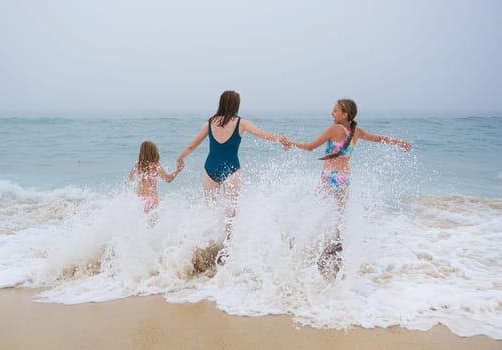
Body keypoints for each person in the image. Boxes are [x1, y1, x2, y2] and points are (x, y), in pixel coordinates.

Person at [285, 99, 411, 275]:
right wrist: (398, 142)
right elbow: (378, 139)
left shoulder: (334, 129)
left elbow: (309, 147)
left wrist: (289, 143)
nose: (332, 113)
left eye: (335, 111)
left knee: (317, 208)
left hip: (329, 177)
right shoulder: (356, 131)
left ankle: (301, 241)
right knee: (340, 215)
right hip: (344, 178)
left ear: (345, 114)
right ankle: (336, 251)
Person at [177, 90, 287, 241]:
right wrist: (281, 139)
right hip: (232, 169)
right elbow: (264, 135)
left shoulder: (209, 123)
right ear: (236, 105)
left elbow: (191, 145)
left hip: (210, 168)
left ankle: (210, 241)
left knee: (211, 208)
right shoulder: (241, 123)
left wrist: (180, 158)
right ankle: (228, 243)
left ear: (221, 103)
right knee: (230, 210)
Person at [128, 140, 183, 213]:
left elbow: (129, 179)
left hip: (140, 200)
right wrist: (178, 170)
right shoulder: (155, 165)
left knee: (140, 222)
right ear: (153, 151)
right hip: (152, 200)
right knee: (152, 223)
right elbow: (168, 179)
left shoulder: (138, 164)